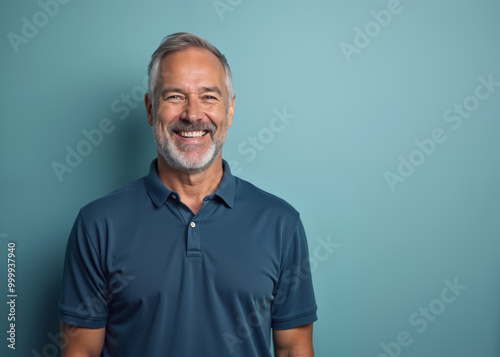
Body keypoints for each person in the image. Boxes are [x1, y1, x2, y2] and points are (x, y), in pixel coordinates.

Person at [58, 32, 317, 357]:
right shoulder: (97, 225)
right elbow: (79, 351)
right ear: (151, 108)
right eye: (175, 96)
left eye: (209, 97)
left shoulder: (281, 224)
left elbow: (294, 349)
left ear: (231, 110)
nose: (193, 115)